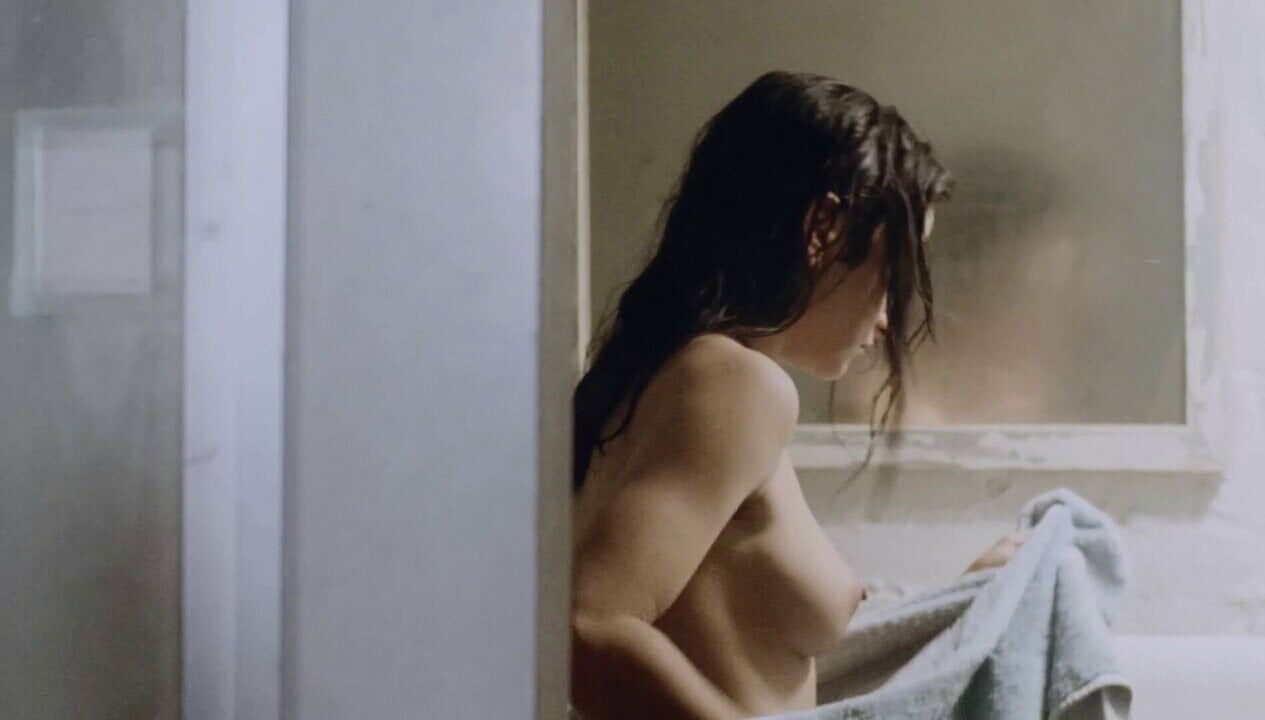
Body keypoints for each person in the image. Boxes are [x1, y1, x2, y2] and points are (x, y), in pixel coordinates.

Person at [570, 71, 1024, 720]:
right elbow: (589, 626)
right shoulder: (734, 384)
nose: (888, 319)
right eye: (892, 273)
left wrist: (962, 599)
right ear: (823, 227)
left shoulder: (678, 374)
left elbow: (732, 642)